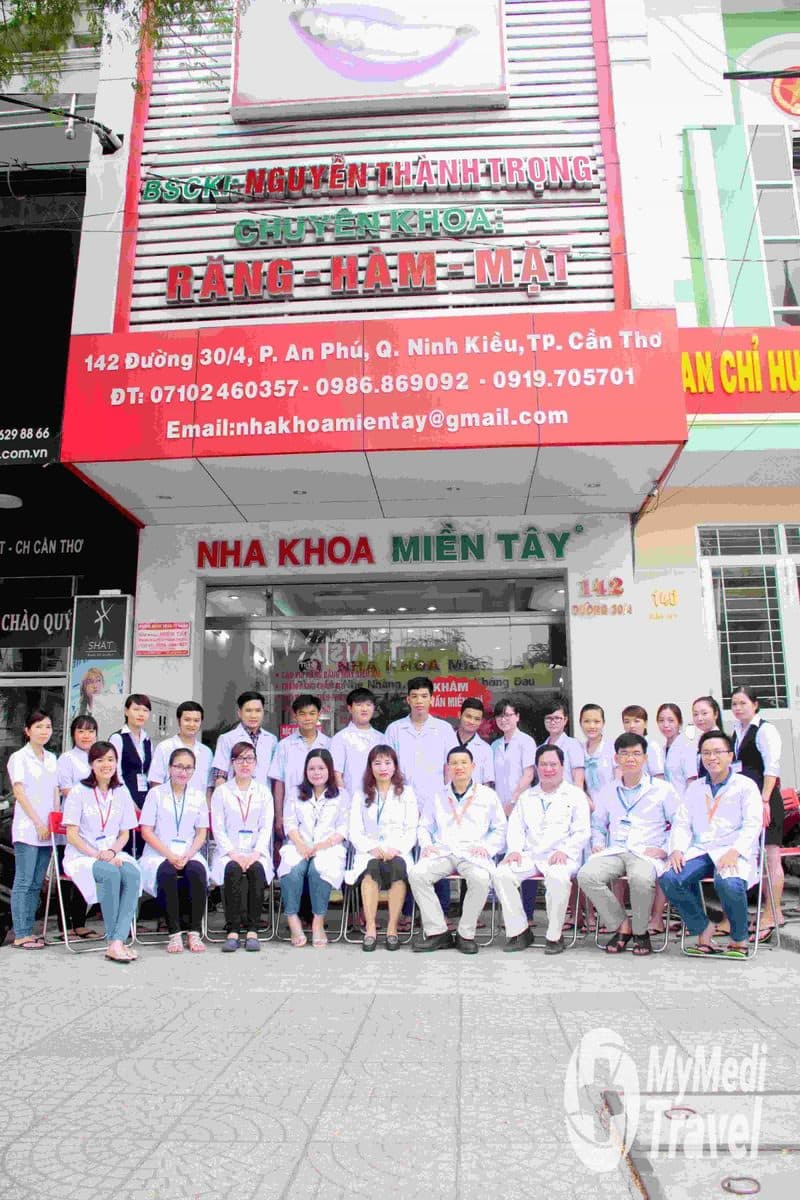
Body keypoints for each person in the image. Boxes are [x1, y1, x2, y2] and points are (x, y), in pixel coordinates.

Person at [660, 731, 762, 959]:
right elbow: (682, 822)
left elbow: (753, 823)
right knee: (669, 877)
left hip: (733, 848)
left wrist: (735, 851)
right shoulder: (696, 787)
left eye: (717, 752)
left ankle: (739, 938)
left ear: (730, 755)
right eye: (706, 753)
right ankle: (703, 929)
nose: (711, 757)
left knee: (728, 882)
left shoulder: (745, 785)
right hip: (701, 848)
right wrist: (677, 849)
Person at [577, 733, 679, 957]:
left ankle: (641, 932)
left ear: (645, 758)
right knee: (586, 875)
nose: (630, 758)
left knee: (641, 879)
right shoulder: (608, 790)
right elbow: (598, 824)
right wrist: (598, 843)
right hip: (615, 850)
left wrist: (666, 849)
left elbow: (680, 823)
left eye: (636, 754)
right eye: (624, 754)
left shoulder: (662, 789)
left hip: (646, 852)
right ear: (616, 758)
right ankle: (622, 925)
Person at [408, 746, 507, 955]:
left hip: (473, 853)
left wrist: (487, 848)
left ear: (473, 766)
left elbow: (500, 828)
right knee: (417, 874)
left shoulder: (488, 795)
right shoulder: (438, 795)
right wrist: (427, 845)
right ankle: (438, 932)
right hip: (443, 851)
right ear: (447, 768)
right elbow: (424, 826)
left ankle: (465, 934)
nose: (459, 767)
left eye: (463, 762)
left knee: (481, 879)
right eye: (454, 763)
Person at [495, 744, 590, 954]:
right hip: (530, 854)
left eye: (553, 764)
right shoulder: (527, 796)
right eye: (543, 764)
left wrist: (565, 851)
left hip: (562, 855)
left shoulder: (575, 795)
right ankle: (519, 931)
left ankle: (554, 936)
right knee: (501, 874)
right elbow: (516, 827)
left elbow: (582, 831)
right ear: (537, 767)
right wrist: (514, 850)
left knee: (557, 878)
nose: (548, 769)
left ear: (562, 766)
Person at [62, 741, 141, 963]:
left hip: (112, 852)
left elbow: (125, 834)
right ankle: (113, 941)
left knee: (133, 874)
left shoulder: (121, 791)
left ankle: (118, 940)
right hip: (83, 855)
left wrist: (112, 852)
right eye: (100, 760)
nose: (106, 764)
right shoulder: (79, 791)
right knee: (110, 873)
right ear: (91, 764)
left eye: (110, 760)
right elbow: (72, 835)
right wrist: (98, 855)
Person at [386, 676, 454, 924]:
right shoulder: (395, 729)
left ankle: (441, 912)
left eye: (424, 696)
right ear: (407, 699)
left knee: (436, 853)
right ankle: (406, 912)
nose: (419, 701)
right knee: (406, 855)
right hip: (402, 801)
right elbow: (388, 766)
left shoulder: (444, 729)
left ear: (432, 699)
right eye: (414, 696)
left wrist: (448, 798)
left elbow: (449, 766)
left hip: (436, 802)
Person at [139, 748, 209, 954]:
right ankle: (174, 933)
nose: (183, 772)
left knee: (197, 871)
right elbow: (146, 831)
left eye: (188, 768)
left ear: (194, 770)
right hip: (158, 853)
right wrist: (169, 855)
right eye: (178, 766)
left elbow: (201, 833)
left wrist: (188, 854)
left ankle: (194, 932)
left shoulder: (198, 796)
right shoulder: (156, 794)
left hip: (188, 852)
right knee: (167, 872)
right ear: (169, 768)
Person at [346, 744, 417, 951]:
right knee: (371, 871)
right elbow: (354, 830)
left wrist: (397, 849)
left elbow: (411, 828)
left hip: (397, 850)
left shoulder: (406, 793)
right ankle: (370, 928)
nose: (383, 768)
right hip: (369, 851)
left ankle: (392, 929)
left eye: (387, 762)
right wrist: (371, 848)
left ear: (395, 766)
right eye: (377, 763)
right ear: (370, 767)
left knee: (398, 870)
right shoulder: (361, 794)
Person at [278, 749, 348, 949]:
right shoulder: (295, 792)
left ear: (330, 770)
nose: (316, 773)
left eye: (321, 768)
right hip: (298, 845)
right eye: (312, 768)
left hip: (328, 847)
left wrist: (321, 845)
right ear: (305, 771)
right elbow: (290, 822)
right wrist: (301, 845)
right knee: (292, 871)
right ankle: (293, 920)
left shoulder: (342, 795)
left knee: (318, 871)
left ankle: (318, 922)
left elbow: (344, 827)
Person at [730, 685, 784, 940]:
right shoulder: (737, 730)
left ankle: (772, 914)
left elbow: (772, 768)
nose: (738, 708)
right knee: (757, 859)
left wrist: (764, 800)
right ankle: (771, 911)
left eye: (743, 703)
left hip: (765, 800)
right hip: (746, 801)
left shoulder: (765, 730)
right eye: (734, 704)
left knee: (771, 857)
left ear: (755, 704)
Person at [210, 740, 274, 952]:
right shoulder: (222, 792)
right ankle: (233, 930)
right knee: (232, 869)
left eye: (249, 759)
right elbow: (218, 828)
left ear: (256, 763)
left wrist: (255, 853)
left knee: (257, 870)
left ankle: (253, 930)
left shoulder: (263, 792)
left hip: (256, 851)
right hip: (229, 852)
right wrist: (234, 853)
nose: (245, 764)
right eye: (240, 759)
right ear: (232, 763)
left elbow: (266, 827)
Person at [7, 709, 59, 949]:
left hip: (48, 830)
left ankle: (29, 930)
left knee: (37, 883)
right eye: (38, 727)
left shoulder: (52, 758)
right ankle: (21, 933)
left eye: (47, 727)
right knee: (24, 881)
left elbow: (55, 791)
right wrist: (38, 822)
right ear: (27, 731)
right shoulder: (19, 757)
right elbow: (19, 793)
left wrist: (54, 821)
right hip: (28, 829)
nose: (44, 731)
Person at [56, 715, 101, 941]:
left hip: (93, 825)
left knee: (86, 871)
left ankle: (80, 924)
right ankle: (64, 925)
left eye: (91, 731)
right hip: (72, 823)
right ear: (73, 734)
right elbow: (65, 788)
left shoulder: (100, 758)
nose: (86, 736)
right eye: (81, 731)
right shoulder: (67, 758)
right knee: (68, 876)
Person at [492, 699, 537, 921]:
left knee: (523, 856)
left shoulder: (526, 742)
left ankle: (527, 913)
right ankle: (509, 914)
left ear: (517, 717)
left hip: (520, 805)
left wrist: (513, 799)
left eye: (508, 715)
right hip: (499, 808)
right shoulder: (495, 745)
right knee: (503, 857)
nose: (504, 719)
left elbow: (529, 774)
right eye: (500, 716)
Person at [271, 694, 331, 841]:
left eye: (312, 713)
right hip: (292, 813)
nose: (307, 718)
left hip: (324, 813)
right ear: (295, 716)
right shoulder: (284, 746)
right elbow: (279, 783)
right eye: (302, 714)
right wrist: (279, 816)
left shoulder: (330, 744)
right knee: (294, 850)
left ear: (319, 714)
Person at [110, 694, 153, 848]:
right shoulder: (118, 738)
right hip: (124, 795)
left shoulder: (147, 740)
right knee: (127, 842)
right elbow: (115, 773)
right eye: (136, 709)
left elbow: (148, 771)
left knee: (143, 842)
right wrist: (129, 801)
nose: (141, 714)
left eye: (145, 710)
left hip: (143, 796)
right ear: (126, 711)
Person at [212, 690, 278, 791]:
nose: (253, 715)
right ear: (239, 713)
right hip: (234, 796)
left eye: (258, 710)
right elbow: (220, 774)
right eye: (248, 710)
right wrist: (221, 798)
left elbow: (275, 777)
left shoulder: (271, 740)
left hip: (263, 797)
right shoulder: (226, 739)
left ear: (263, 712)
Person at [149, 701, 213, 801]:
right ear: (179, 721)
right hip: (169, 806)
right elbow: (156, 782)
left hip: (198, 807)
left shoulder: (207, 752)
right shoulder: (164, 747)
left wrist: (207, 807)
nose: (192, 724)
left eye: (196, 720)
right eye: (187, 720)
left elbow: (209, 786)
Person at [331, 687, 383, 794]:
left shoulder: (382, 738)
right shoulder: (340, 738)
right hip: (350, 799)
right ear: (350, 708)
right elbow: (337, 775)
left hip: (378, 799)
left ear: (374, 708)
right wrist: (344, 799)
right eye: (359, 705)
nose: (364, 709)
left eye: (368, 705)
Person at [449, 698, 494, 786]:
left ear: (481, 721)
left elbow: (487, 784)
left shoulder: (486, 749)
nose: (472, 722)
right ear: (459, 715)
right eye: (468, 716)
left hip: (475, 794)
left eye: (477, 719)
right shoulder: (446, 741)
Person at [542, 699, 585, 789]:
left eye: (557, 718)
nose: (552, 722)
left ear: (565, 720)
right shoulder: (540, 749)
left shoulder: (573, 745)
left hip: (567, 796)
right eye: (549, 718)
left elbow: (578, 779)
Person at [657, 704, 698, 797]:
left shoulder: (687, 747)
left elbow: (692, 781)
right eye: (661, 720)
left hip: (683, 801)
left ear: (679, 723)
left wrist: (686, 803)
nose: (665, 725)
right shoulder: (661, 749)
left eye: (671, 720)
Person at [579, 704, 616, 802]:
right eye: (587, 721)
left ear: (603, 723)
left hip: (612, 804)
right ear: (580, 723)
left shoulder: (613, 748)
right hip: (588, 806)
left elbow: (619, 782)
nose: (592, 726)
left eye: (596, 722)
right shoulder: (579, 750)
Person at [621, 705, 665, 779]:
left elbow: (659, 777)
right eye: (627, 722)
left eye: (636, 721)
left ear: (645, 724)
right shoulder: (622, 746)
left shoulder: (652, 746)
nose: (631, 725)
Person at [691, 695, 723, 781]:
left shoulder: (720, 740)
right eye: (695, 714)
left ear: (715, 714)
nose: (699, 718)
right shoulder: (699, 739)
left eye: (704, 713)